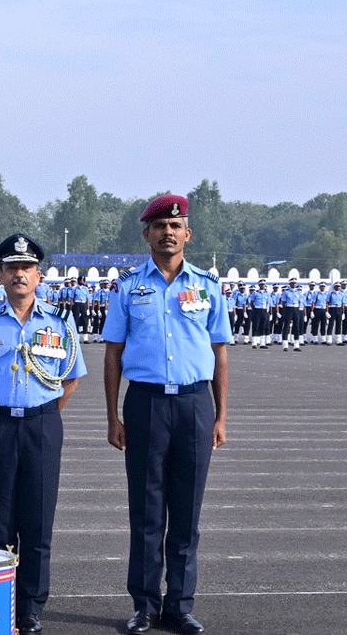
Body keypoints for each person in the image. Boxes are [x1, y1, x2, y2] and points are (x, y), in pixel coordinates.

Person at [103, 195, 228, 635]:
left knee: (187, 515)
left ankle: (179, 606)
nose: (167, 232)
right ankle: (144, 606)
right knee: (146, 512)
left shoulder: (209, 287)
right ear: (147, 235)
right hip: (147, 405)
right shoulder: (128, 287)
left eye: (175, 225)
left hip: (195, 405)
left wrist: (220, 415)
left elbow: (219, 352)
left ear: (187, 234)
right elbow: (113, 353)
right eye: (159, 226)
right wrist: (113, 416)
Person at [0, 233, 87, 635]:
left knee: (38, 520)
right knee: (0, 519)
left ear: (39, 275)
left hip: (43, 426)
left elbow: (70, 380)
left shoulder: (61, 321)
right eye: (12, 268)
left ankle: (30, 606)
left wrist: (37, 413)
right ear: (0, 275)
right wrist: (3, 414)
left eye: (27, 268)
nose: (19, 275)